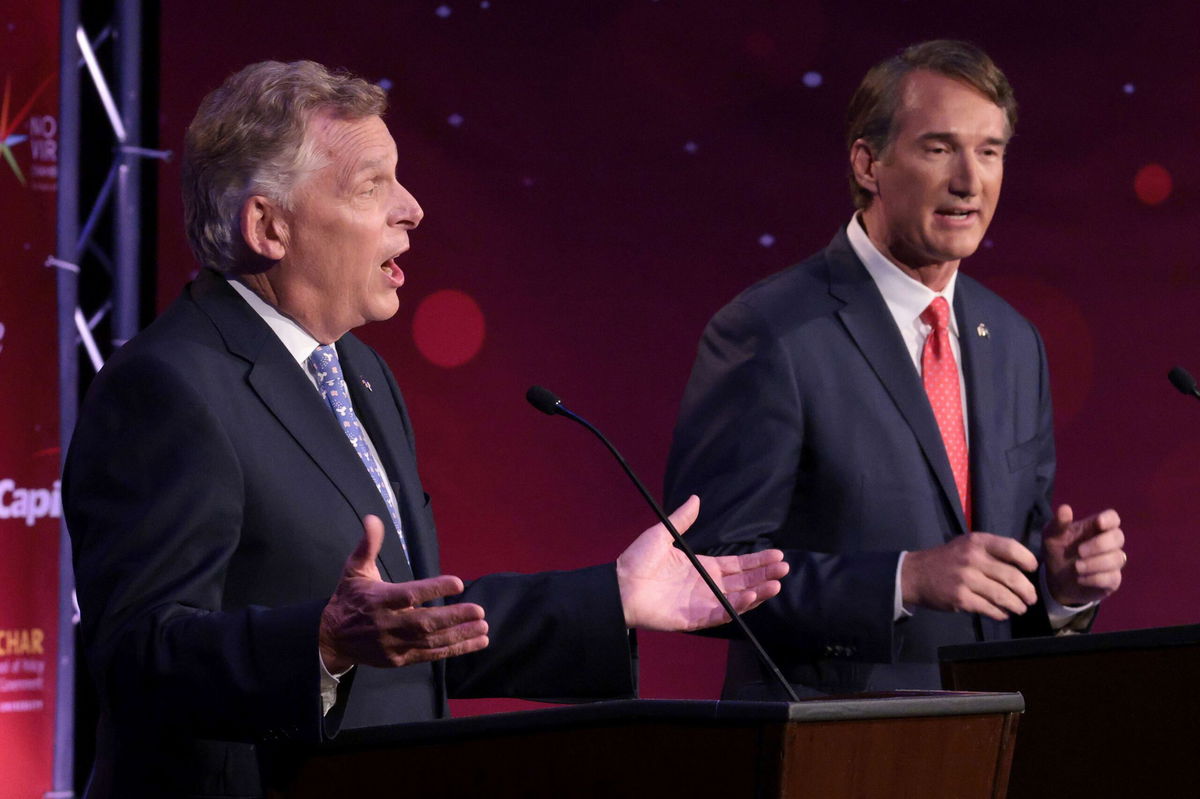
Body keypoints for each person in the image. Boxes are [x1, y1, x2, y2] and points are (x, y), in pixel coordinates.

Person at [63, 60, 788, 798]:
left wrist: (613, 598)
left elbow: (414, 629)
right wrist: (320, 642)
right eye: (373, 185)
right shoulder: (168, 386)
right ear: (268, 225)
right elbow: (134, 655)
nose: (411, 208)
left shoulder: (362, 376)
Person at [663, 40, 1126, 699]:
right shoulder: (771, 332)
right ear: (868, 162)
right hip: (832, 745)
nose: (970, 180)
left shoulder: (1016, 343)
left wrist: (1058, 589)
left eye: (990, 151)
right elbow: (701, 573)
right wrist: (899, 582)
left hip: (987, 739)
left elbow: (998, 582)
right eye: (939, 148)